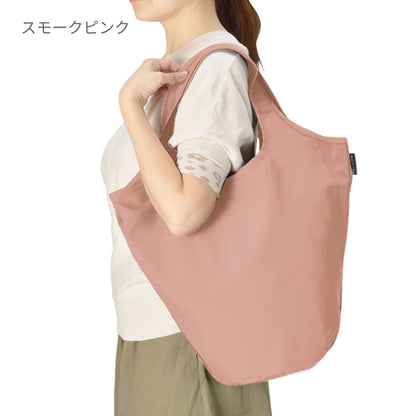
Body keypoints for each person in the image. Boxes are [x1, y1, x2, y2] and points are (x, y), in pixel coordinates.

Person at [100, 0, 273, 415]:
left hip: (187, 338)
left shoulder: (216, 67)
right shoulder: (178, 69)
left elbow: (184, 211)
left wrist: (130, 106)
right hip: (150, 334)